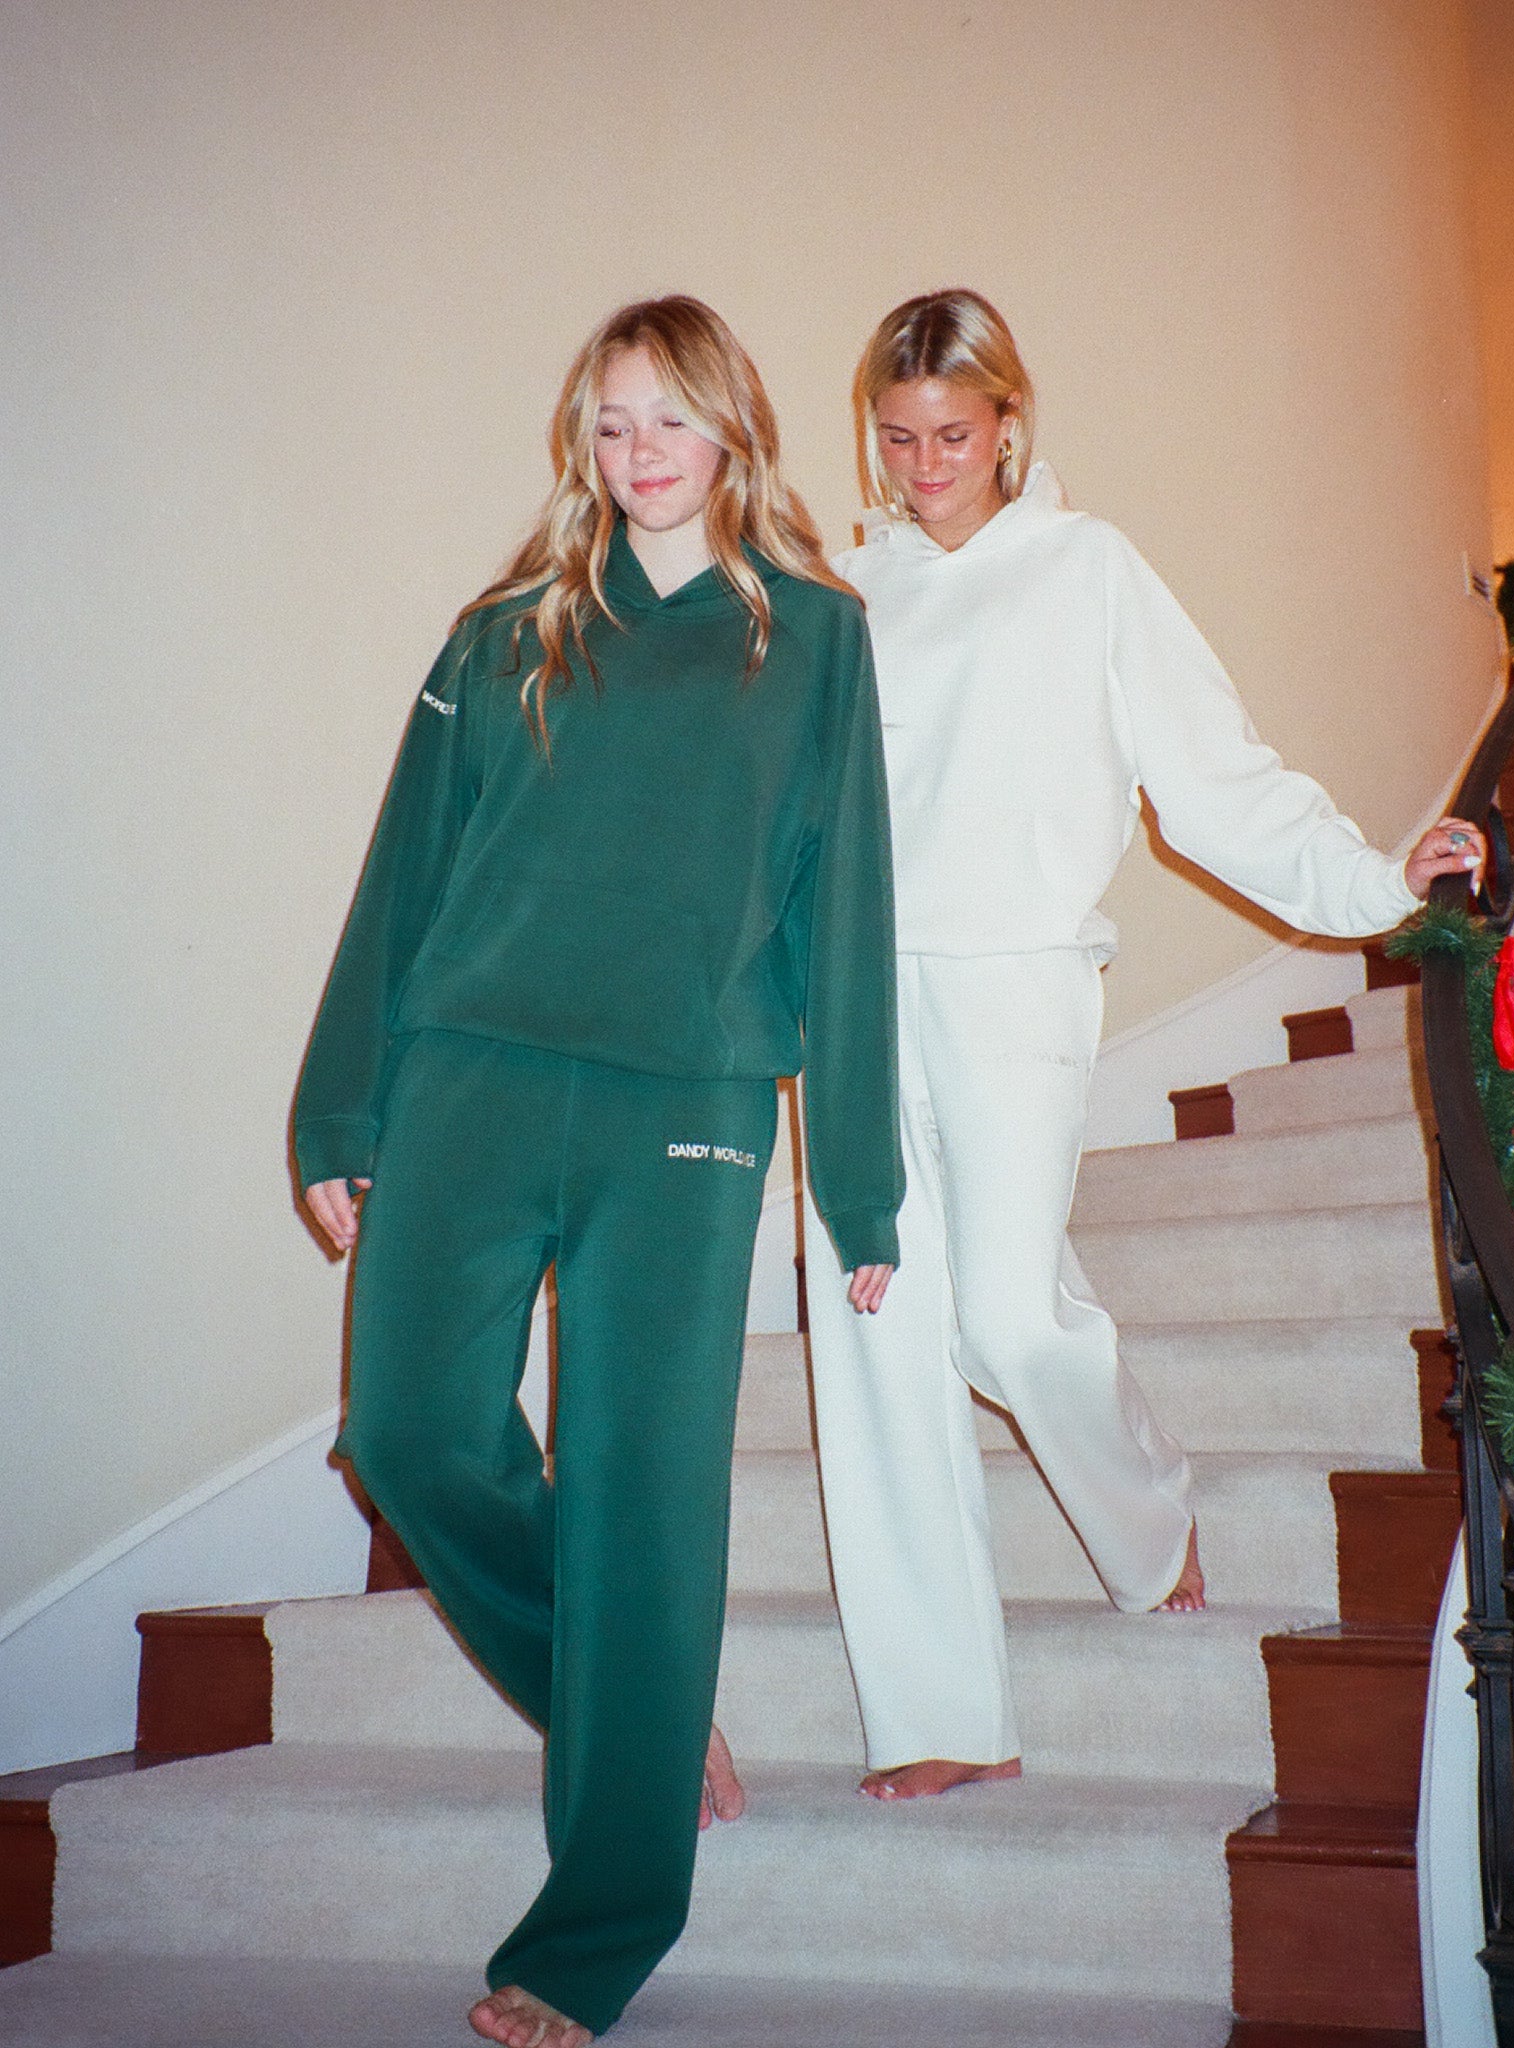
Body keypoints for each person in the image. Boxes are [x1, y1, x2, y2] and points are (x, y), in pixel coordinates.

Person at [294, 296, 902, 2046]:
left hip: (684, 1110)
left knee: (642, 1487)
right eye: (613, 422)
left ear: (733, 431)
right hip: (470, 1077)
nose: (642, 453)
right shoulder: (503, 633)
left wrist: (857, 1179)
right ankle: (627, 1708)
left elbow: (848, 908)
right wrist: (340, 1108)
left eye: (671, 419)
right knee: (406, 1434)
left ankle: (593, 1933)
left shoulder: (815, 640)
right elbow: (405, 872)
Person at [804, 287, 1484, 1804]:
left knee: (1004, 1318)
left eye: (954, 435)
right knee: (873, 1342)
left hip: (1017, 982)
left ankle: (1146, 1514)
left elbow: (1214, 778)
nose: (925, 466)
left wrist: (1377, 882)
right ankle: (935, 1714)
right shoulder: (846, 594)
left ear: (1009, 426)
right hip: (846, 996)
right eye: (899, 438)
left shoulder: (1087, 569)